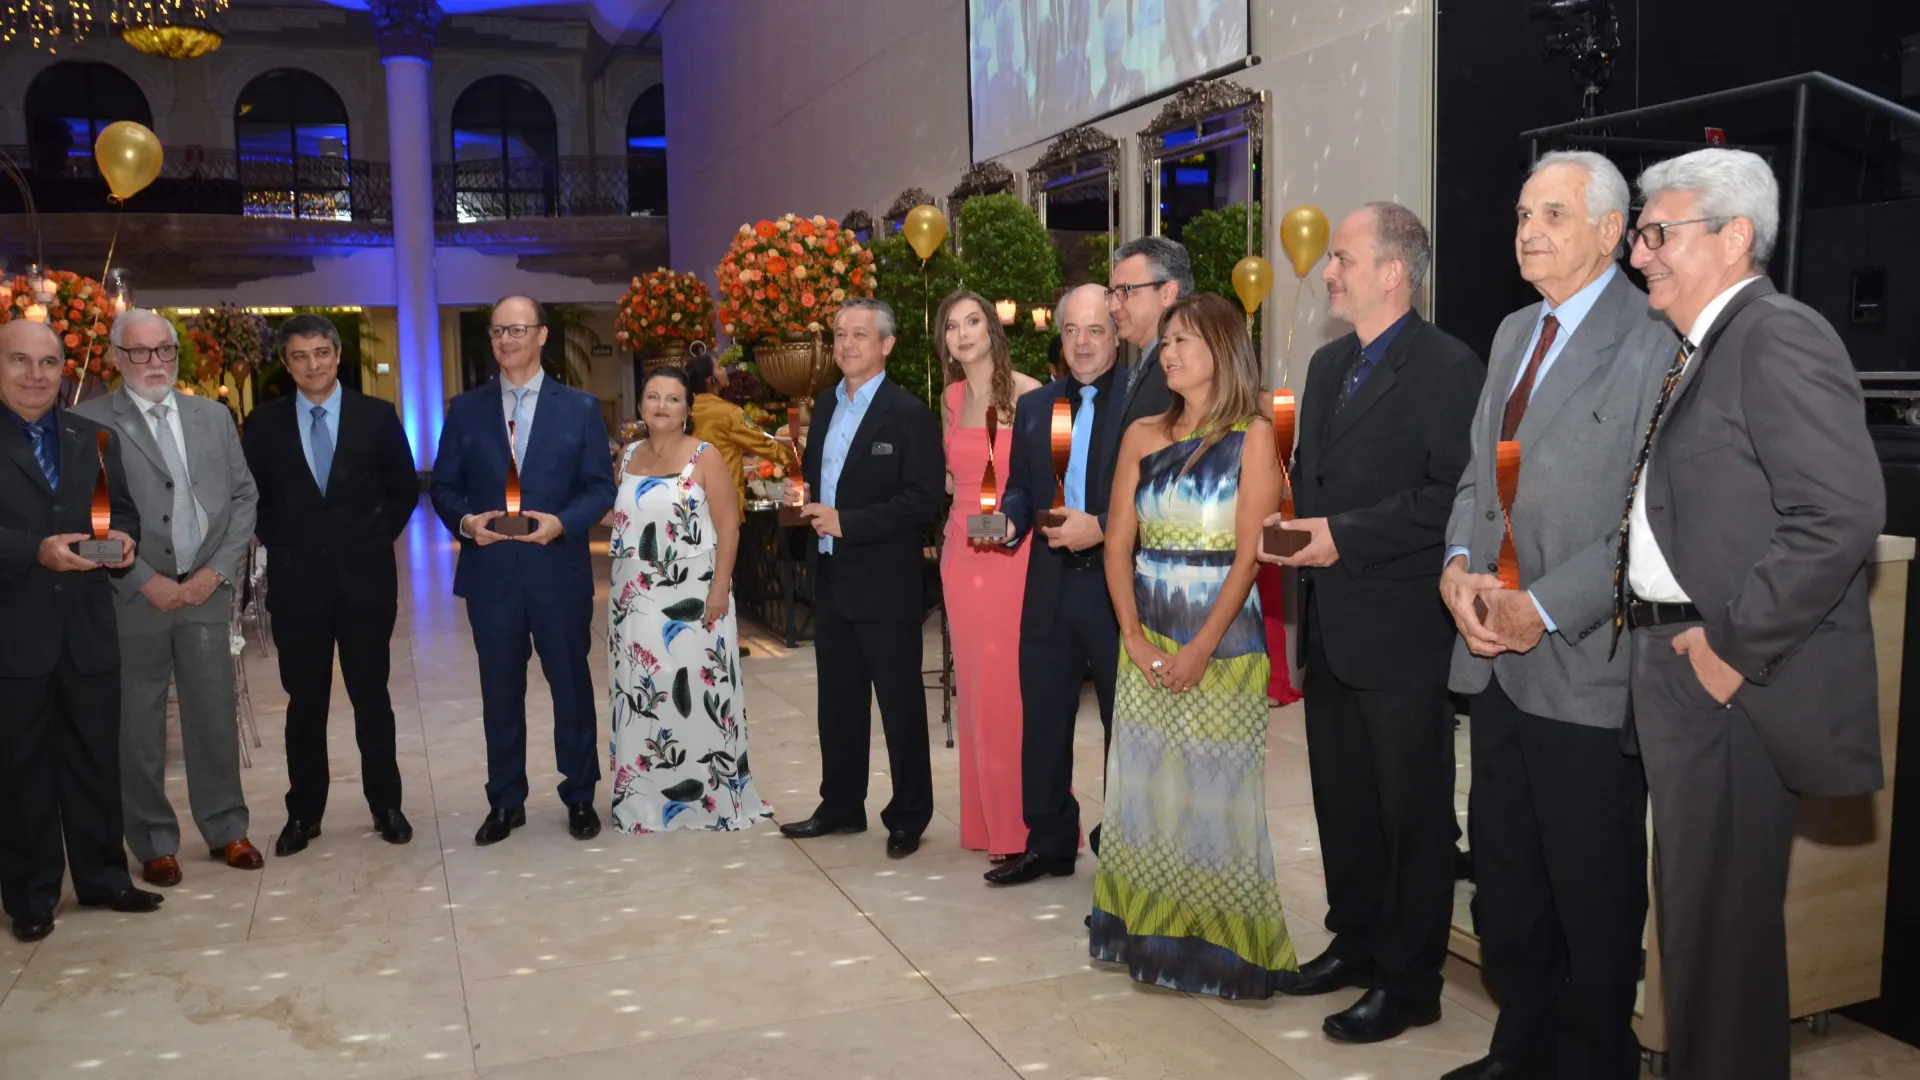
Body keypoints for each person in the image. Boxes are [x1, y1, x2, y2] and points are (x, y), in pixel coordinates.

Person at [1619, 148, 1883, 1080]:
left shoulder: (1775, 335)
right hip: (1682, 668)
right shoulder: (1709, 346)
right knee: (1701, 936)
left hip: (1731, 683)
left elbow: (1841, 511)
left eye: (1659, 233)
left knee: (1721, 943)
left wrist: (1729, 652)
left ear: (1735, 237)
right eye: (1640, 234)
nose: (1639, 254)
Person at [1435, 152, 1670, 1080]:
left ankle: (1591, 1062)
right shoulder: (1512, 332)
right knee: (1508, 883)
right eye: (1524, 213)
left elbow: (1653, 520)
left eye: (1554, 215)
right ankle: (1521, 1048)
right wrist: (1457, 569)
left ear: (1612, 231)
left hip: (1584, 668)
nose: (1528, 231)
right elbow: (1475, 478)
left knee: (1592, 897)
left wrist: (1542, 605)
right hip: (1493, 659)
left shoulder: (1656, 338)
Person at [1261, 202, 1483, 1042]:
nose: (1329, 271)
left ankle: (1410, 978)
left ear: (1395, 271)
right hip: (1331, 624)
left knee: (1410, 814)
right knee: (1343, 801)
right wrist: (1286, 525)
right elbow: (1311, 480)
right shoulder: (1328, 366)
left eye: (1344, 258)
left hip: (1400, 629)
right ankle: (1354, 941)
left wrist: (1340, 536)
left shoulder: (1447, 367)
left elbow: (1449, 495)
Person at [1091, 291, 1294, 997]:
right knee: (1146, 797)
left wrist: (1201, 648)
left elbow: (1249, 558)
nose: (1169, 353)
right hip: (1144, 639)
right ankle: (1148, 940)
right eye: (1167, 341)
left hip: (1225, 646)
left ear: (1222, 350)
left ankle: (1221, 957)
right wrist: (1132, 636)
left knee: (1216, 802)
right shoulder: (1142, 434)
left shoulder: (1256, 435)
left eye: (1184, 341)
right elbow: (1117, 546)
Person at [74, 310, 265, 886]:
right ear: (116, 357)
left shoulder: (212, 416)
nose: (154, 362)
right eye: (140, 352)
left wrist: (217, 571)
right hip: (133, 596)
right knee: (138, 723)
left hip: (205, 588)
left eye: (164, 350)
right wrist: (140, 580)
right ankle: (154, 840)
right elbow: (82, 518)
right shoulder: (86, 422)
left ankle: (226, 827)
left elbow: (244, 497)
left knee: (213, 714)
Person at [431, 294, 618, 846]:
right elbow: (443, 486)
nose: (505, 340)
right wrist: (467, 522)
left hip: (557, 572)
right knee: (499, 692)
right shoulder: (466, 410)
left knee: (571, 688)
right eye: (497, 332)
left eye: (517, 330)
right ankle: (505, 800)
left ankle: (580, 795)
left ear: (541, 335)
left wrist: (564, 522)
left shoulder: (579, 408)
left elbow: (600, 488)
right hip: (492, 574)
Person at [0, 318, 159, 942]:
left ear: (64, 371)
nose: (35, 375)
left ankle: (103, 878)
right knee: (22, 771)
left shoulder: (93, 437)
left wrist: (123, 540)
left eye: (47, 363)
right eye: (19, 360)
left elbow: (122, 513)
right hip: (16, 634)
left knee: (96, 760)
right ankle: (32, 895)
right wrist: (33, 551)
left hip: (89, 631)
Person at [243, 313, 418, 856]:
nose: (312, 364)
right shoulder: (264, 424)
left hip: (366, 582)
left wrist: (371, 538)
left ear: (337, 355)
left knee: (372, 697)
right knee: (304, 703)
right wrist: (285, 543)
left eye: (321, 353)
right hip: (298, 585)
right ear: (287, 363)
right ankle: (303, 813)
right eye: (299, 356)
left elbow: (403, 488)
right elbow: (253, 498)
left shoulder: (376, 416)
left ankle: (386, 805)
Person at [778, 298, 944, 858]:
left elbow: (922, 498)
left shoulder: (908, 414)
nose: (846, 344)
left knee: (899, 704)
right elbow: (824, 479)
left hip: (886, 581)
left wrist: (848, 522)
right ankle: (842, 805)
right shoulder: (826, 404)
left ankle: (908, 815)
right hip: (831, 575)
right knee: (838, 701)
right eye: (839, 334)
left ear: (886, 345)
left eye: (859, 335)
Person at [986, 284, 1120, 886]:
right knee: (1042, 717)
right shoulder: (1037, 405)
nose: (1082, 343)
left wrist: (1105, 526)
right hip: (1048, 582)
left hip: (1116, 589)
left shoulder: (1143, 401)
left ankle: (1126, 846)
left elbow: (1151, 495)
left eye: (1095, 330)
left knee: (1125, 724)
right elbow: (1020, 484)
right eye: (1071, 331)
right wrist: (1009, 519)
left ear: (1116, 335)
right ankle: (1049, 842)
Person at [607, 366, 774, 832]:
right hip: (635, 599)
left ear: (687, 409)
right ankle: (643, 800)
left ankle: (709, 798)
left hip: (695, 595)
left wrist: (719, 589)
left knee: (697, 694)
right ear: (640, 405)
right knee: (643, 691)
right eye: (653, 396)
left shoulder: (705, 456)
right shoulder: (628, 455)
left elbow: (728, 527)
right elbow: (622, 516)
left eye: (672, 398)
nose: (661, 405)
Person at [936, 289, 1044, 861]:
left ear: (992, 330)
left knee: (1007, 689)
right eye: (952, 326)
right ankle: (984, 823)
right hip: (961, 553)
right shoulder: (951, 398)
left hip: (1009, 555)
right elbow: (951, 479)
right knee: (974, 689)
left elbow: (1042, 480)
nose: (963, 333)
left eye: (973, 321)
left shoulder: (1028, 394)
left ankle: (1020, 827)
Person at [686, 345, 791, 502]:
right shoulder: (728, 412)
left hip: (691, 497)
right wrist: (795, 458)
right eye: (720, 368)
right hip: (724, 499)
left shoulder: (684, 410)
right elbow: (761, 441)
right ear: (711, 379)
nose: (725, 371)